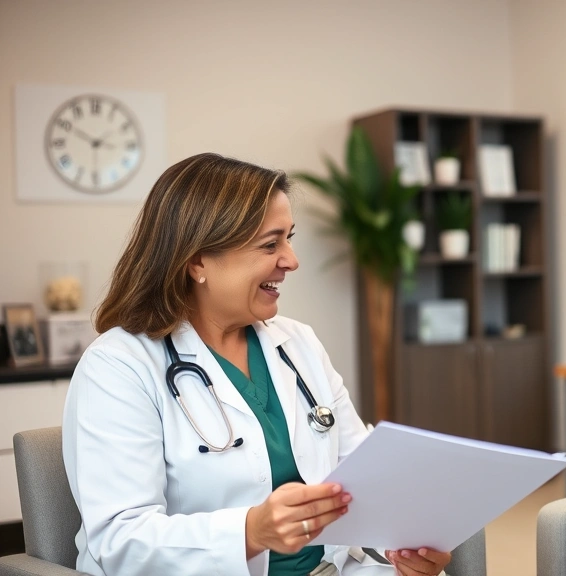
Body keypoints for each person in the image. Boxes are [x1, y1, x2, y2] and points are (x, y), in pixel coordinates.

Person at [63, 153, 451, 576]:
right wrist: (250, 531)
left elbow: (365, 474)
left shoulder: (297, 342)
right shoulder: (118, 367)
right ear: (197, 261)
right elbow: (120, 541)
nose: (291, 260)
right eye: (270, 244)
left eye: (289, 238)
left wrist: (404, 548)